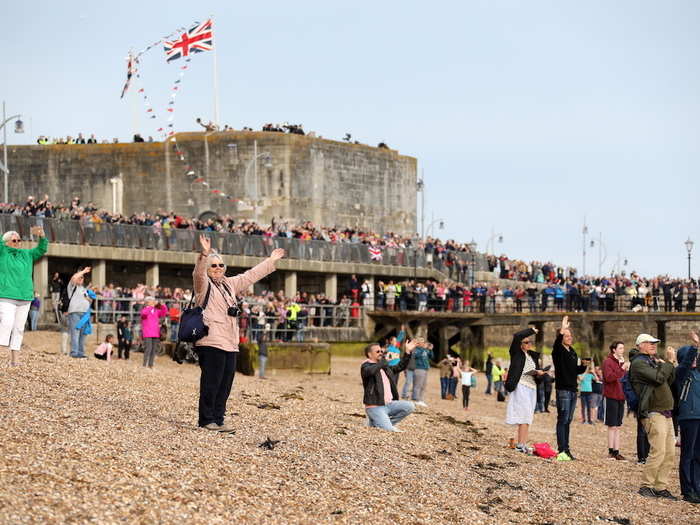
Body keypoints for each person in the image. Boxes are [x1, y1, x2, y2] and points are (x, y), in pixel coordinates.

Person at [194, 235, 284, 432]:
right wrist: (204, 255)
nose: (217, 268)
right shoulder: (204, 286)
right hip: (210, 340)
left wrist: (270, 261)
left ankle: (218, 418)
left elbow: (250, 276)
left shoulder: (229, 285)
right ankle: (206, 419)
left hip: (230, 341)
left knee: (226, 383)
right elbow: (198, 274)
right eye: (213, 265)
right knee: (211, 382)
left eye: (220, 265)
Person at [630, 333, 678, 499]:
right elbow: (658, 378)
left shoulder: (651, 361)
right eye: (649, 343)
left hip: (665, 411)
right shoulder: (638, 363)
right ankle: (646, 485)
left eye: (654, 343)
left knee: (670, 453)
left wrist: (669, 364)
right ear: (640, 345)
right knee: (658, 451)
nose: (653, 345)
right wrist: (668, 363)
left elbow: (668, 380)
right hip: (653, 411)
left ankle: (660, 486)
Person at [0, 227, 48, 366]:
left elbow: (41, 249)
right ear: (6, 242)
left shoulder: (26, 254)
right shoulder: (2, 252)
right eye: (14, 240)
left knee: (19, 328)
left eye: (19, 240)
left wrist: (42, 236)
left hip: (25, 297)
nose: (17, 242)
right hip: (6, 295)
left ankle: (15, 360)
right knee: (7, 323)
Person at [361, 339, 418, 432]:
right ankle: (382, 423)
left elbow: (400, 366)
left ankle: (377, 423)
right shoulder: (366, 366)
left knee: (410, 406)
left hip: (389, 404)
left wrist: (407, 352)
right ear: (370, 354)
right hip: (375, 406)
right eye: (378, 351)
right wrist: (384, 361)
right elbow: (371, 371)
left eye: (381, 351)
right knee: (389, 430)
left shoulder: (384, 367)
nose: (381, 353)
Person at [551, 315, 587, 460]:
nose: (569, 338)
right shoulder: (558, 351)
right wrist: (563, 328)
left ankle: (567, 449)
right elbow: (556, 343)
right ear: (561, 337)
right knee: (563, 419)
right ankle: (561, 450)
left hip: (573, 389)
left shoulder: (572, 351)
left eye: (570, 336)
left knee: (569, 420)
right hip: (563, 389)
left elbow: (575, 371)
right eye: (566, 336)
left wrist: (583, 366)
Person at [504, 326, 544, 453]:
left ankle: (523, 444)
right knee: (523, 414)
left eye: (530, 342)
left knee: (528, 416)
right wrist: (532, 330)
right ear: (520, 344)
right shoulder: (516, 353)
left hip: (532, 387)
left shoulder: (532, 356)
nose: (529, 344)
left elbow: (533, 372)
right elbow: (516, 336)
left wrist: (539, 373)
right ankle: (520, 444)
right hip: (521, 386)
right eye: (526, 342)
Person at [675, 332, 700, 504]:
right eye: (692, 357)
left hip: (699, 417)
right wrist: (695, 346)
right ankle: (687, 490)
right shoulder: (681, 374)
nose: (695, 359)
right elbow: (684, 364)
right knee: (688, 454)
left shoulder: (698, 372)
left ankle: (697, 487)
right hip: (688, 417)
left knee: (698, 455)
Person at [603, 340, 628, 460]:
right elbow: (608, 378)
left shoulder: (621, 362)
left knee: (618, 425)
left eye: (623, 348)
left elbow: (624, 380)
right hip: (611, 396)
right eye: (620, 348)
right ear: (614, 350)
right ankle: (611, 451)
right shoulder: (608, 362)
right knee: (612, 425)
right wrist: (621, 369)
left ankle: (617, 451)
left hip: (621, 396)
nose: (622, 351)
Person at [67, 266, 92, 359]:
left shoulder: (84, 289)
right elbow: (73, 278)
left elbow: (90, 300)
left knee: (83, 334)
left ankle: (81, 353)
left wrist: (89, 299)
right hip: (75, 312)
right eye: (80, 277)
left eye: (82, 277)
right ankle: (74, 352)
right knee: (75, 332)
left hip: (85, 314)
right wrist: (83, 271)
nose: (81, 278)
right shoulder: (72, 286)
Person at [140, 297, 167, 368]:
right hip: (147, 332)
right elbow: (144, 314)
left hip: (155, 332)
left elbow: (163, 313)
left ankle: (150, 364)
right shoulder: (145, 309)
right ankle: (144, 364)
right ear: (148, 302)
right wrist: (150, 307)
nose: (154, 301)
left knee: (154, 349)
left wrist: (163, 305)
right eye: (152, 300)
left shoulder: (156, 310)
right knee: (148, 348)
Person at [411, 339, 432, 407]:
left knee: (423, 385)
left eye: (424, 342)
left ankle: (420, 399)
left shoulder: (425, 350)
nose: (424, 343)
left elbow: (431, 356)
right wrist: (423, 349)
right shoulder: (416, 349)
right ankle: (415, 399)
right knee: (417, 385)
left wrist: (430, 350)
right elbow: (416, 356)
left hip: (425, 369)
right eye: (422, 342)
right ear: (418, 343)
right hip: (419, 368)